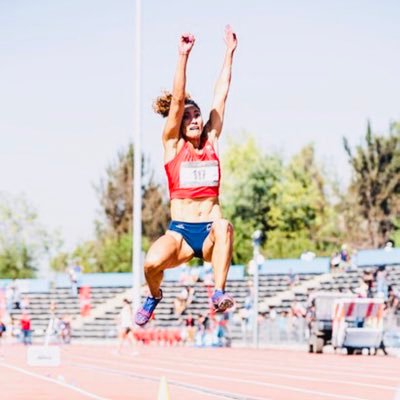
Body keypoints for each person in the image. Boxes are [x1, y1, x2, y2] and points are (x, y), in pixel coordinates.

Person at [135, 26, 238, 326]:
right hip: (180, 232)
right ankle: (154, 295)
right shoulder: (172, 146)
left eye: (198, 116)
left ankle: (218, 292)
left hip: (208, 232)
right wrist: (183, 56)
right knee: (151, 263)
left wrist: (229, 53)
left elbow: (221, 94)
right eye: (188, 118)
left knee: (225, 226)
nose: (194, 120)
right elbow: (178, 102)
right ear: (179, 125)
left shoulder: (212, 141)